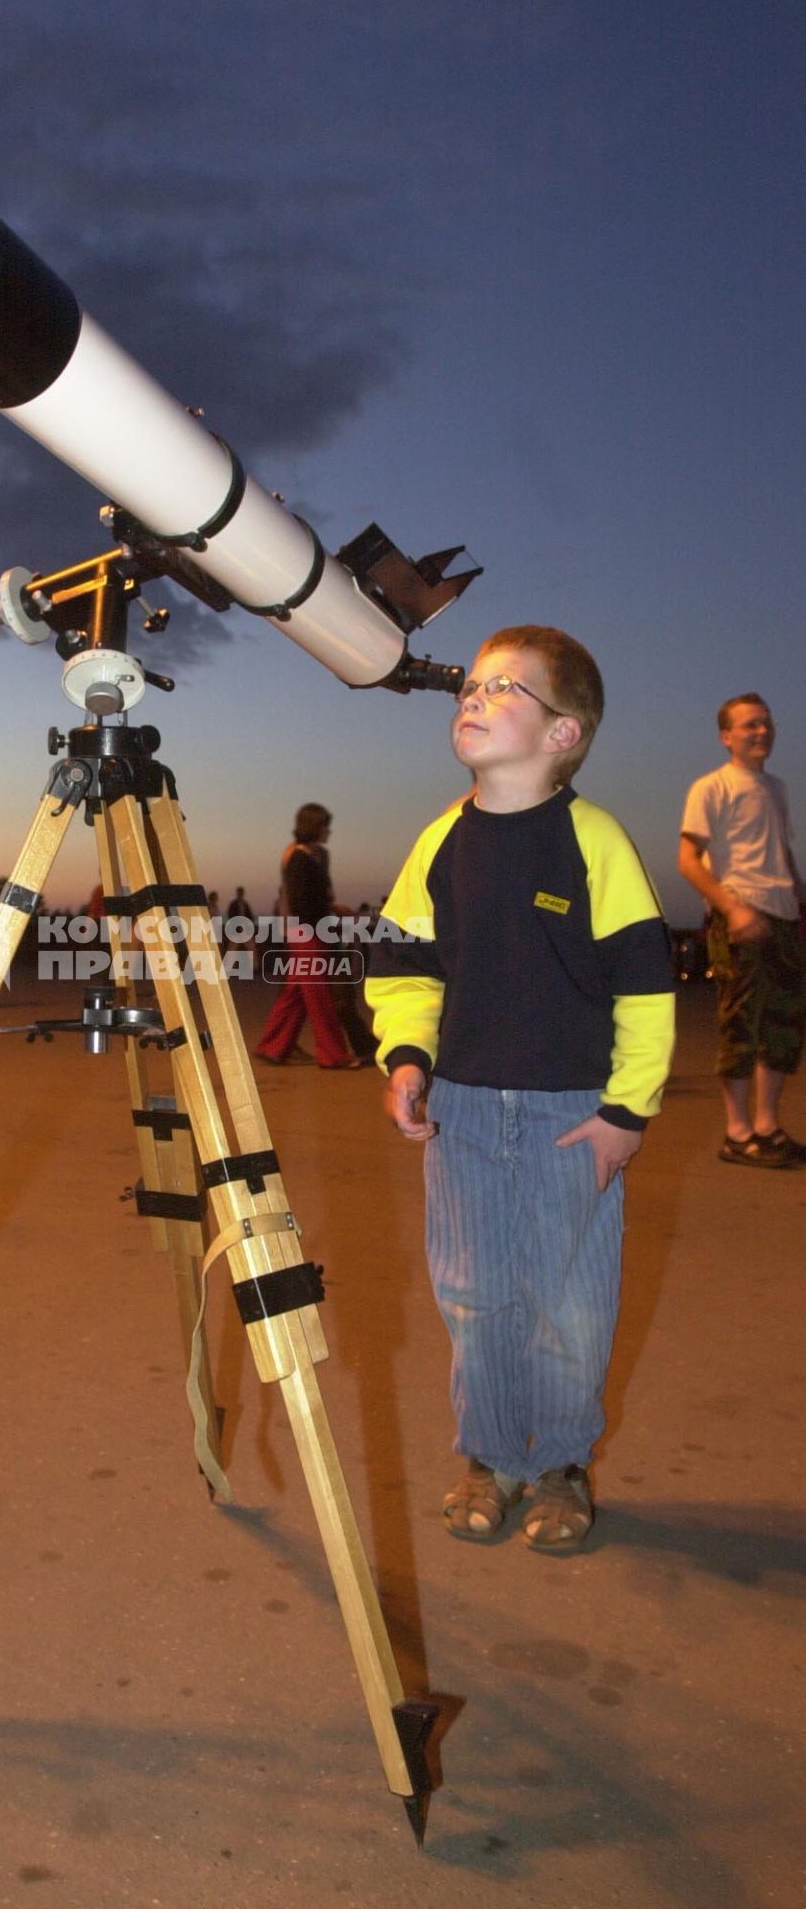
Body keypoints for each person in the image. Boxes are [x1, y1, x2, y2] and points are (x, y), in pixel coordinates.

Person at [366, 627, 675, 1552]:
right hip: (461, 1110)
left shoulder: (594, 839)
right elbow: (405, 965)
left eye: (506, 689)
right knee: (471, 1294)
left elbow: (645, 985)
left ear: (562, 734)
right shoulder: (439, 840)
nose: (474, 696)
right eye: (474, 683)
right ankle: (492, 1457)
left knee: (569, 1304)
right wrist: (407, 1058)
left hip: (569, 1118)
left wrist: (627, 1111)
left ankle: (562, 1465)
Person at [678, 694, 806, 1168]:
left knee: (785, 1026)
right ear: (726, 736)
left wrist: (798, 897)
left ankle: (768, 1126)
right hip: (741, 914)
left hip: (784, 918)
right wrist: (732, 909)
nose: (761, 731)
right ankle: (737, 1132)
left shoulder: (776, 787)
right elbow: (688, 861)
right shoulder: (712, 787)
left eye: (767, 724)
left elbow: (781, 854)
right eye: (750, 725)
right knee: (741, 1026)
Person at [254, 803, 363, 1069]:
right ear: (315, 827)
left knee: (297, 992)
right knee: (318, 994)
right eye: (326, 825)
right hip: (307, 932)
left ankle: (272, 1046)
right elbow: (302, 902)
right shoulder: (299, 858)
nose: (329, 831)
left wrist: (332, 910)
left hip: (309, 930)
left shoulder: (314, 856)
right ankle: (333, 1054)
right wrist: (331, 912)